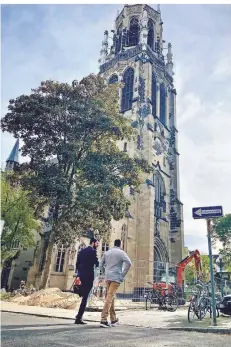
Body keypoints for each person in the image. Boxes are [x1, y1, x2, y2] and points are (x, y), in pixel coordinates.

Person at [99, 239, 131, 328]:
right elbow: (129, 263)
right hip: (116, 277)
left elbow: (101, 265)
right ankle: (103, 319)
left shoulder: (107, 253)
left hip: (108, 277)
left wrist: (105, 273)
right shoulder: (121, 253)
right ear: (120, 244)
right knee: (109, 297)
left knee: (111, 296)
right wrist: (122, 274)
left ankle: (113, 319)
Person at [74, 237, 99, 325]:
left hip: (81, 276)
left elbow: (77, 264)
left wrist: (79, 274)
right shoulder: (93, 251)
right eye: (97, 243)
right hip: (88, 277)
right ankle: (79, 317)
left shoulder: (82, 251)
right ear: (93, 243)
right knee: (85, 298)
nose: (98, 245)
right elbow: (97, 263)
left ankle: (78, 316)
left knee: (83, 296)